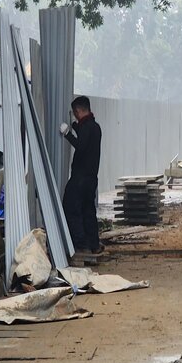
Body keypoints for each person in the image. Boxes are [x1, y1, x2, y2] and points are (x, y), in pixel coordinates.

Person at [60, 96, 103, 255]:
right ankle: (94, 245)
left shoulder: (86, 129)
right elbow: (85, 136)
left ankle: (81, 245)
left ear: (78, 111)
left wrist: (67, 134)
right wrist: (74, 127)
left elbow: (81, 146)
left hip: (80, 178)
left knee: (72, 208)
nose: (75, 116)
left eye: (75, 113)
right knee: (88, 211)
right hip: (92, 178)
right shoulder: (95, 127)